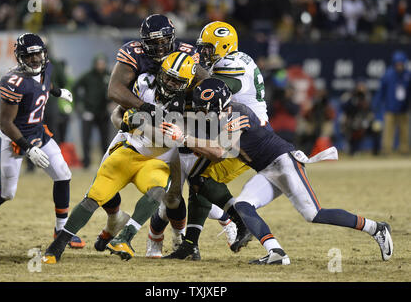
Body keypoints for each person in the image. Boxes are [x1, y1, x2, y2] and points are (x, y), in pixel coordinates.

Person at [163, 77, 393, 264]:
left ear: (219, 104)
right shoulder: (222, 114)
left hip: (284, 163)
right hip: (266, 170)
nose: (203, 114)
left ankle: (376, 228)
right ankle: (276, 252)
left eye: (206, 110)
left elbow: (219, 152)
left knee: (314, 214)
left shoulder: (237, 113)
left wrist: (182, 137)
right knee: (243, 205)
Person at [93, 14, 234, 254]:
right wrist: (141, 111)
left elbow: (209, 87)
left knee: (175, 195)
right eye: (154, 42)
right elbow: (115, 91)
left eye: (164, 41)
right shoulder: (135, 56)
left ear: (173, 38)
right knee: (102, 180)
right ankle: (114, 222)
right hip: (141, 127)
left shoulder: (188, 54)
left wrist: (212, 116)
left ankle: (194, 232)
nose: (159, 47)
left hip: (175, 129)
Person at [42, 52, 197, 263]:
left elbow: (169, 139)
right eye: (167, 77)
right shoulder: (144, 83)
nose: (169, 83)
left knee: (160, 191)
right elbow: (119, 113)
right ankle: (57, 246)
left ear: (186, 84)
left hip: (158, 160)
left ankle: (125, 237)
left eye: (176, 81)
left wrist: (139, 123)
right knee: (95, 195)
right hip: (129, 149)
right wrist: (125, 122)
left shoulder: (190, 102)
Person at [0, 33, 84, 251]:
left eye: (39, 54)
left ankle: (61, 230)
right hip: (13, 137)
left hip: (38, 131)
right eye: (30, 56)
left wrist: (57, 91)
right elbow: (6, 123)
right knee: (6, 192)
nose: (36, 59)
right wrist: (28, 149)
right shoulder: (13, 82)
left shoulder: (47, 68)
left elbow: (45, 84)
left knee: (64, 174)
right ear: (20, 58)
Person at [161, 20, 270, 259]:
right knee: (198, 177)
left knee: (201, 177)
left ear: (224, 46)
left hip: (248, 134)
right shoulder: (232, 59)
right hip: (236, 129)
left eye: (209, 48)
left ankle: (242, 222)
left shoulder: (233, 63)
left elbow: (216, 87)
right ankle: (190, 244)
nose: (204, 52)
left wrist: (184, 76)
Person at [73, 53, 117, 169]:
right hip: (89, 112)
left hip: (103, 112)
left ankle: (105, 162)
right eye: (98, 63)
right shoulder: (88, 76)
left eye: (102, 63)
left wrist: (112, 102)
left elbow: (115, 90)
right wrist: (79, 103)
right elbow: (75, 87)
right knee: (86, 139)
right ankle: (86, 162)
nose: (100, 66)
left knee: (105, 139)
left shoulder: (109, 76)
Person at [372, 51, 410, 155]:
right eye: (397, 64)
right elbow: (381, 92)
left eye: (401, 64)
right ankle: (386, 150)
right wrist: (376, 104)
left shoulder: (408, 75)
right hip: (390, 108)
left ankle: (404, 150)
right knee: (388, 131)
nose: (399, 66)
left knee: (404, 131)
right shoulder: (388, 75)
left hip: (404, 108)